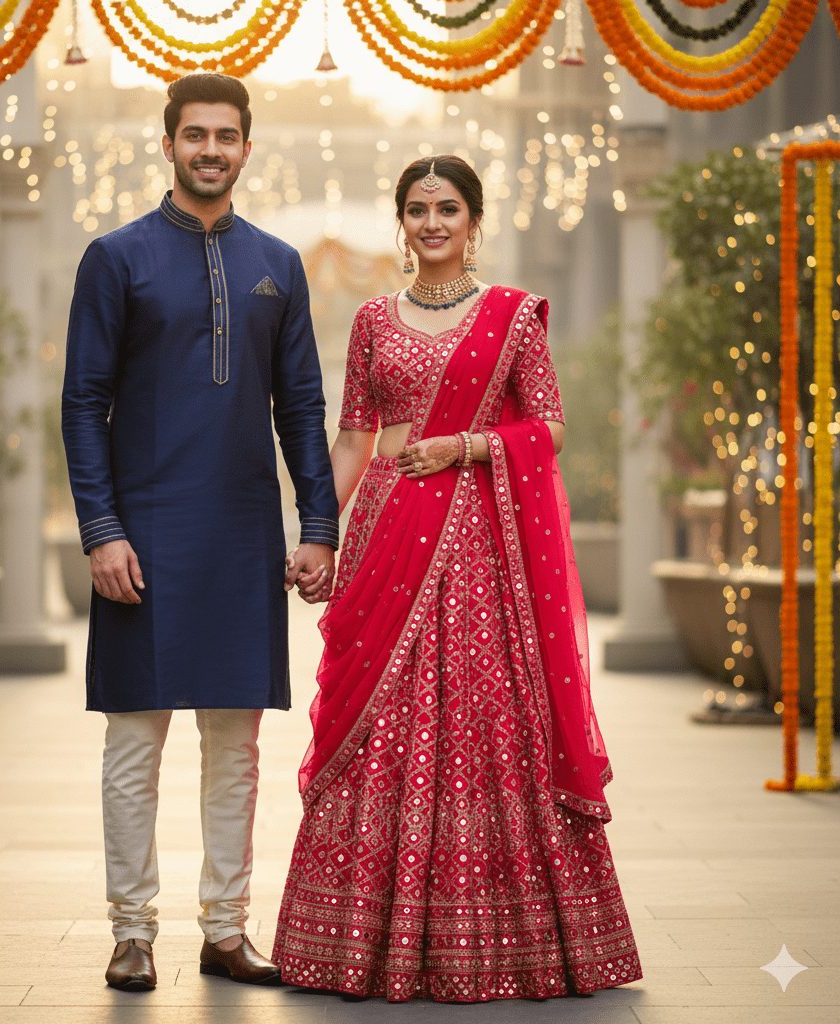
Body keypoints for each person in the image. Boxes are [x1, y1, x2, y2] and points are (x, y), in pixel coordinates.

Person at [274, 155, 642, 1002]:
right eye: (417, 209)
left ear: (473, 221)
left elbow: (548, 426)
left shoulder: (513, 316)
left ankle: (501, 938)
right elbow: (354, 438)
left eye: (447, 209)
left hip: (481, 545)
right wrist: (319, 534)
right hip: (388, 537)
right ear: (401, 223)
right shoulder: (372, 318)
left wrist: (469, 447)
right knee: (380, 718)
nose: (432, 223)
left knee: (483, 715)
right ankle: (352, 938)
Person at [61, 72, 338, 993]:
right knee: (133, 743)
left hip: (241, 538)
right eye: (195, 135)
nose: (210, 150)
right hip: (141, 538)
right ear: (169, 143)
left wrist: (318, 525)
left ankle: (226, 928)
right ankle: (131, 931)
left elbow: (301, 406)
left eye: (226, 136)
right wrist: (102, 529)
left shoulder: (277, 264)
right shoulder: (117, 258)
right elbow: (83, 402)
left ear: (247, 148)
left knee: (236, 746)